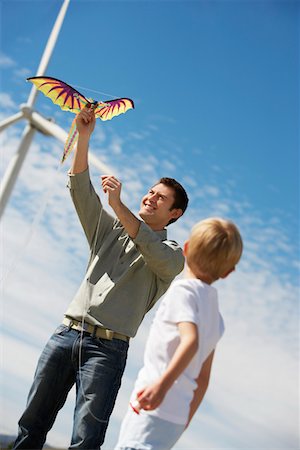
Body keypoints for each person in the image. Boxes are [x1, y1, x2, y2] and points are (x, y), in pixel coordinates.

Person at [13, 106, 189, 449]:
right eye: (150, 192)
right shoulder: (109, 231)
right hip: (65, 334)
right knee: (30, 426)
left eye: (160, 198)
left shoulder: (172, 257)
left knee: (86, 441)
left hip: (107, 351)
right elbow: (81, 190)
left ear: (174, 214)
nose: (150, 197)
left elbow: (149, 245)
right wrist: (84, 138)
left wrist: (118, 205)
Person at [115, 217, 243, 450]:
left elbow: (190, 342)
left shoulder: (182, 292)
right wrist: (185, 419)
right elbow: (202, 379)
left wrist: (160, 387)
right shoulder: (216, 315)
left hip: (152, 404)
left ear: (185, 249)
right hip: (176, 417)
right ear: (228, 272)